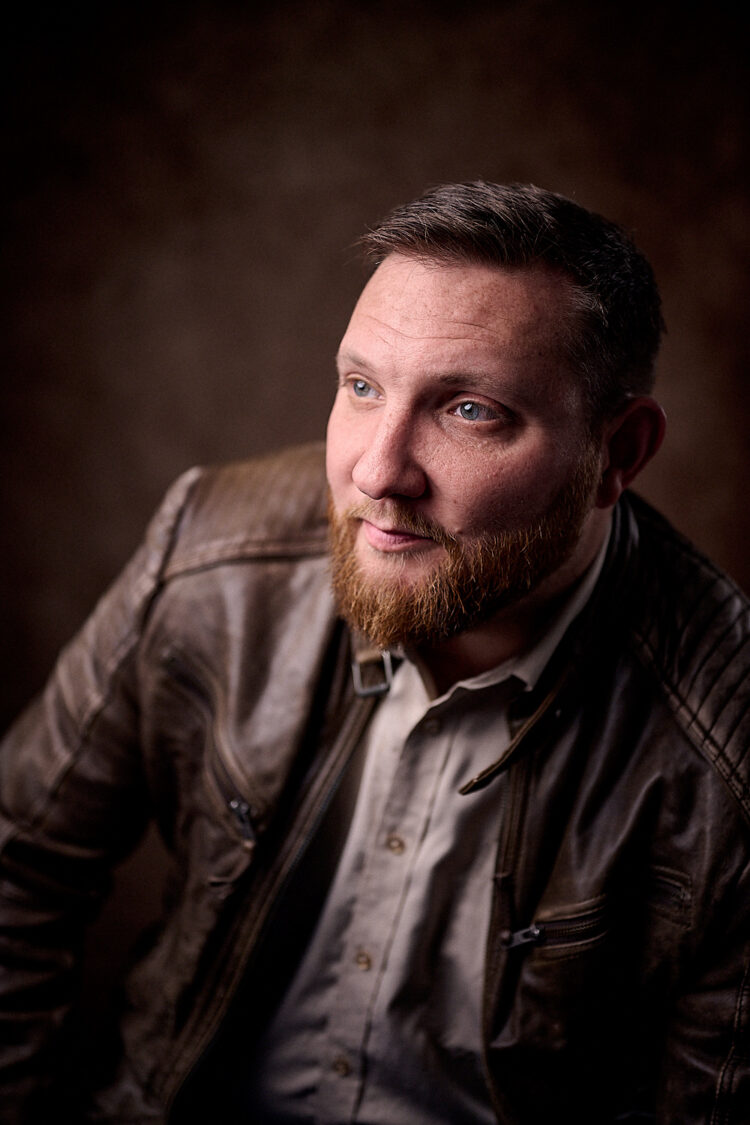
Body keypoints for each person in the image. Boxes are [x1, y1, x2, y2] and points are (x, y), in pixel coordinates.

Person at [1, 181, 749, 1124]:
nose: (377, 471)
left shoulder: (727, 762)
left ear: (619, 453)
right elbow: (17, 867)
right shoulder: (210, 555)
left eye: (470, 409)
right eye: (361, 387)